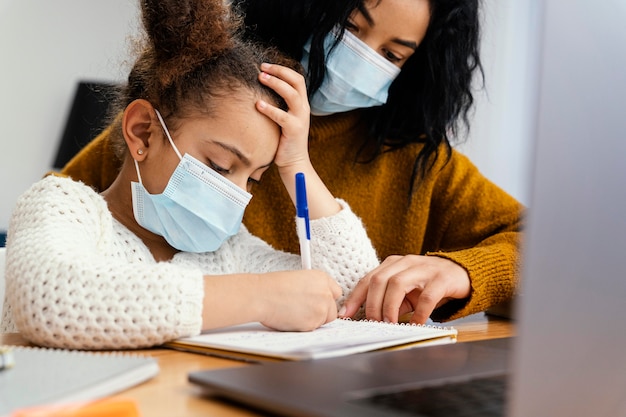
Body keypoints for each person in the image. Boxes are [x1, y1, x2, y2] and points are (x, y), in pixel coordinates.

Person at [55, 0, 523, 325]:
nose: (237, 193)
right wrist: (256, 298)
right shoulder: (193, 118)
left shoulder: (423, 162)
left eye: (392, 55)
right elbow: (45, 252)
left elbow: (548, 251)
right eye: (351, 28)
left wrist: (463, 272)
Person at [0, 0, 380, 350]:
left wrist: (298, 164)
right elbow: (51, 301)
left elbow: (353, 292)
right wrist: (260, 297)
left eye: (253, 179)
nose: (236, 195)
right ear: (143, 132)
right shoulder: (62, 207)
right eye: (219, 166)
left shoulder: (228, 251)